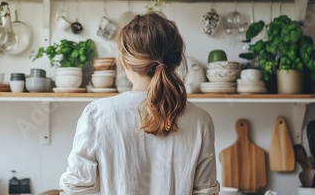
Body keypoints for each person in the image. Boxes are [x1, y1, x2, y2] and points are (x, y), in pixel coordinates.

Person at [59, 12, 219, 194]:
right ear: (176, 62)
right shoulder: (200, 120)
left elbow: (76, 187)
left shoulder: (98, 114)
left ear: (125, 63)